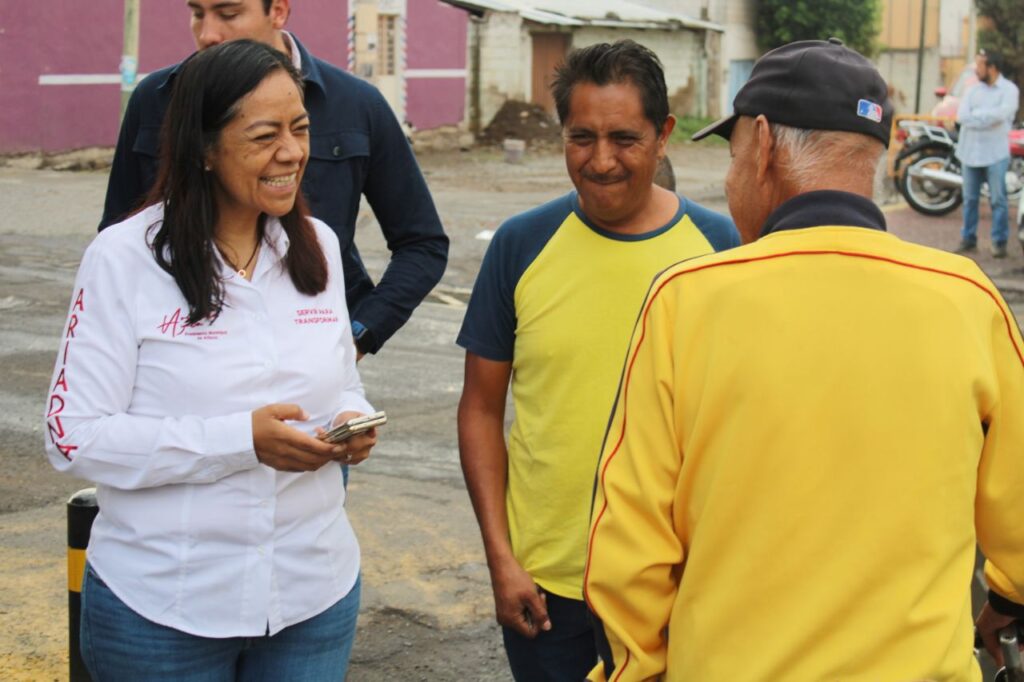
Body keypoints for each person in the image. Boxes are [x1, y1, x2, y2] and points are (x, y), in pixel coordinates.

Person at [584, 38, 1024, 681]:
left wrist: (635, 669)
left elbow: (627, 551)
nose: (733, 180)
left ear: (761, 146)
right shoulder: (969, 300)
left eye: (732, 157)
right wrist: (1008, 598)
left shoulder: (686, 302)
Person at [45, 40, 379, 680]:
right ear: (203, 148)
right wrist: (240, 441)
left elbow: (343, 382)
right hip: (163, 612)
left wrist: (351, 422)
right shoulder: (124, 260)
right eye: (264, 135)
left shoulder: (321, 249)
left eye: (301, 128)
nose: (292, 152)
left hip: (313, 597)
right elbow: (73, 439)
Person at [457, 40, 738, 681]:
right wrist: (502, 558)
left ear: (664, 134)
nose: (601, 160)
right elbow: (479, 409)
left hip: (673, 583)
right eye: (581, 137)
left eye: (624, 138)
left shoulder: (718, 249)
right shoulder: (521, 244)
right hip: (547, 588)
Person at [101, 0, 447, 357]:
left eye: (228, 14)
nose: (207, 34)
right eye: (197, 13)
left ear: (278, 11)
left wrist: (358, 335)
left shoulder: (356, 104)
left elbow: (422, 244)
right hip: (183, 351)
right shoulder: (156, 99)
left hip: (308, 355)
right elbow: (118, 231)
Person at [955, 49, 1019, 258]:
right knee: (970, 199)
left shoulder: (1009, 90)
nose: (976, 69)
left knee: (998, 200)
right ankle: (968, 238)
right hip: (970, 152)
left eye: (980, 64)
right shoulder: (972, 90)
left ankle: (999, 242)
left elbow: (1003, 114)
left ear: (992, 67)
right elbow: (962, 116)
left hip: (995, 153)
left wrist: (977, 117)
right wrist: (986, 118)